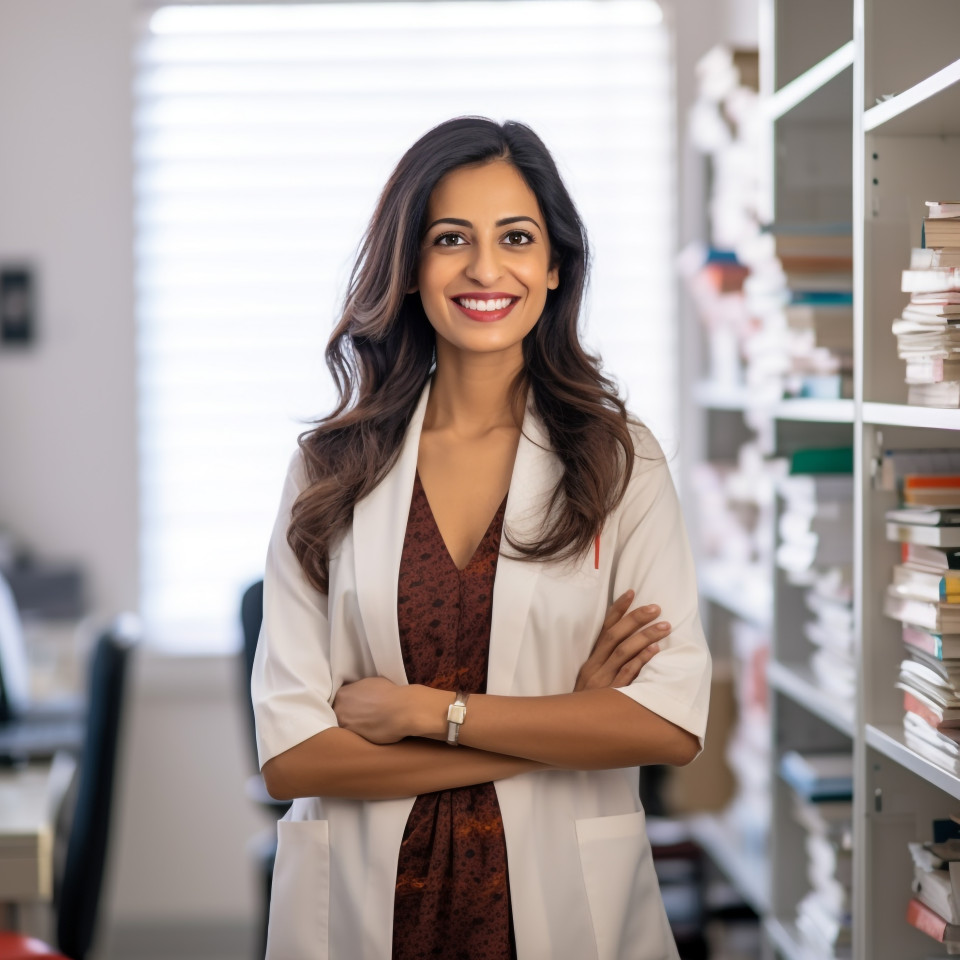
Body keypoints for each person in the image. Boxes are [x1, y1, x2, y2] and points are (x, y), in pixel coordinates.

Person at [251, 117, 711, 960]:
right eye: (450, 238)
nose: (485, 268)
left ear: (554, 266)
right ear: (412, 266)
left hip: (558, 904)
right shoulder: (330, 468)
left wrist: (426, 713)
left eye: (517, 238)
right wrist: (558, 730)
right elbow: (294, 758)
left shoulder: (619, 460)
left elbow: (667, 725)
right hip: (368, 907)